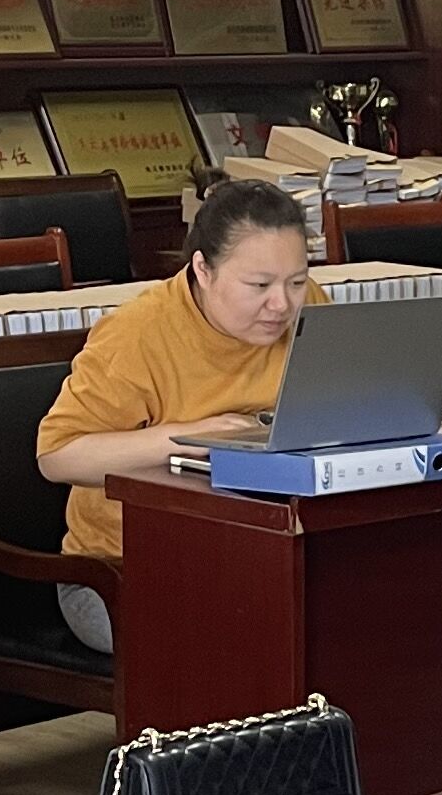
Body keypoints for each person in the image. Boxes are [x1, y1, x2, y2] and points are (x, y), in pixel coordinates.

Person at [32, 175, 309, 653]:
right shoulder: (139, 333)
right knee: (244, 640)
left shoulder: (305, 311)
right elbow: (57, 456)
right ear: (203, 269)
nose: (281, 304)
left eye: (297, 281)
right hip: (126, 569)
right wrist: (187, 436)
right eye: (259, 285)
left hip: (265, 554)